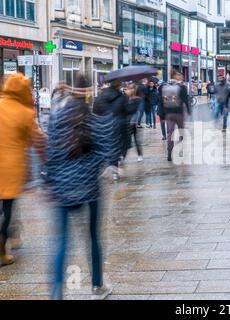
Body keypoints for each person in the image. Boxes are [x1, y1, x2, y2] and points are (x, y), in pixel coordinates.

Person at [47, 74, 113, 300]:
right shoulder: (93, 117)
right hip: (89, 188)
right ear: (87, 91)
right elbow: (104, 150)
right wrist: (93, 170)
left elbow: (51, 153)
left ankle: (57, 292)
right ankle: (97, 287)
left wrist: (49, 182)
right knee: (93, 236)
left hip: (61, 187)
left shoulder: (55, 116)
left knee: (62, 241)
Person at [0, 73, 47, 267]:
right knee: (7, 209)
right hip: (11, 170)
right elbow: (39, 142)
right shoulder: (25, 112)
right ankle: (2, 252)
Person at [93, 79, 134, 181]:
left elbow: (95, 110)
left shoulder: (101, 95)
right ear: (119, 85)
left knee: (106, 147)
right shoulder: (122, 96)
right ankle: (114, 170)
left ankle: (103, 168)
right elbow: (127, 110)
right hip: (118, 126)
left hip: (104, 125)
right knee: (116, 148)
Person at [159, 70, 191, 162]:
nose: (181, 77)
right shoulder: (182, 87)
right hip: (179, 113)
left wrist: (162, 115)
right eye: (180, 75)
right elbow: (185, 100)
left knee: (170, 133)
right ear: (176, 76)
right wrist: (188, 110)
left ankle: (169, 152)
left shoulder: (164, 86)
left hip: (168, 114)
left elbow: (161, 101)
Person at [126, 83, 144, 162]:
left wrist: (136, 121)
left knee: (137, 140)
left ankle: (140, 155)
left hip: (134, 123)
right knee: (126, 140)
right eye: (129, 88)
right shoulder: (126, 99)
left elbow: (139, 111)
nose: (130, 90)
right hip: (127, 122)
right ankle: (122, 155)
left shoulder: (138, 99)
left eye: (132, 88)